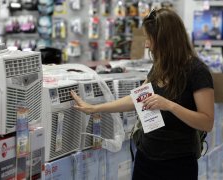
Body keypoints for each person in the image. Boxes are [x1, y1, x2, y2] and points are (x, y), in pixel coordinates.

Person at [71, 8, 214, 180]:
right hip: (146, 158)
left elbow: (207, 122)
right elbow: (136, 98)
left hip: (178, 163)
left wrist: (170, 105)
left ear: (165, 39)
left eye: (149, 38)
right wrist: (94, 108)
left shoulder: (197, 71)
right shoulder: (160, 66)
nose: (146, 44)